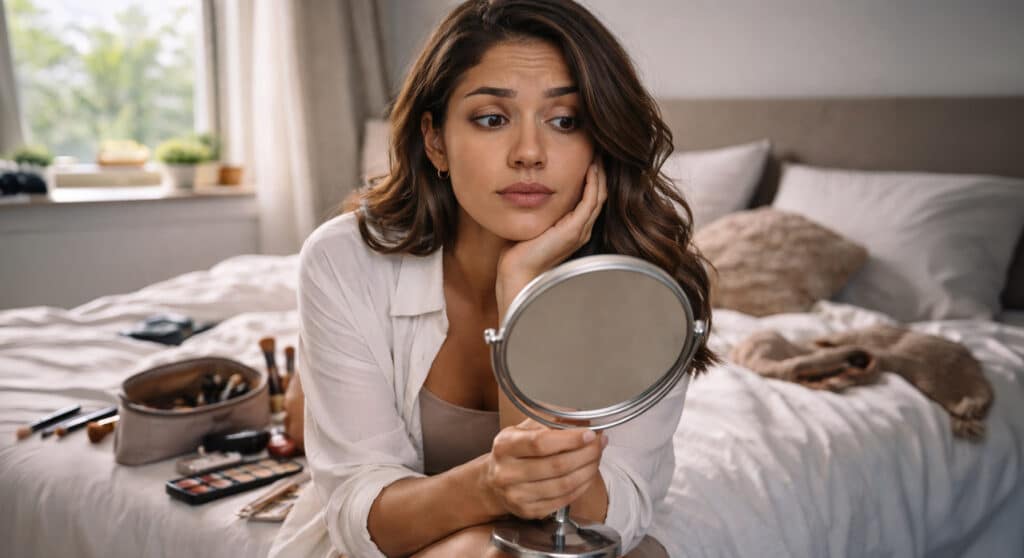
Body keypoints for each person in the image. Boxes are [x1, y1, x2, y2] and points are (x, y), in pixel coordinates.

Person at [269, 1, 715, 556]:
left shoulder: (650, 290)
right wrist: (487, 485)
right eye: (491, 119)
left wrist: (523, 290)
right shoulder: (344, 259)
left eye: (565, 121)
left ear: (599, 140)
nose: (529, 153)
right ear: (435, 140)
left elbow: (598, 522)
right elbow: (364, 518)